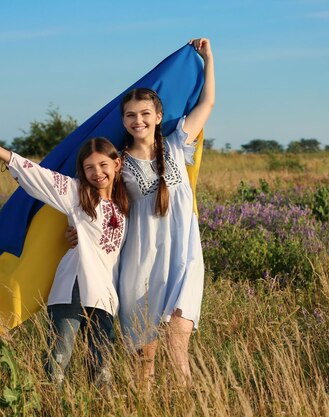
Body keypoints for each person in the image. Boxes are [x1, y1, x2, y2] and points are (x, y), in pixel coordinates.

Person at [68, 38, 215, 388]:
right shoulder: (116, 162)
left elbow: (208, 102)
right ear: (124, 120)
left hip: (182, 257)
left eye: (146, 114)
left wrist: (209, 58)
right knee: (144, 357)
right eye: (131, 115)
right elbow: (96, 200)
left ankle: (186, 405)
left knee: (179, 340)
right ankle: (143, 405)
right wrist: (81, 232)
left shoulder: (178, 144)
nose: (139, 120)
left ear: (158, 116)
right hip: (140, 261)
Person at [0, 131, 128, 385]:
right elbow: (39, 176)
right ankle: (52, 406)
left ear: (117, 164)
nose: (98, 172)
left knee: (101, 363)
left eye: (103, 164)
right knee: (58, 358)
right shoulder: (77, 193)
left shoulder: (125, 204)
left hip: (105, 293)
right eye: (89, 167)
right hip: (72, 287)